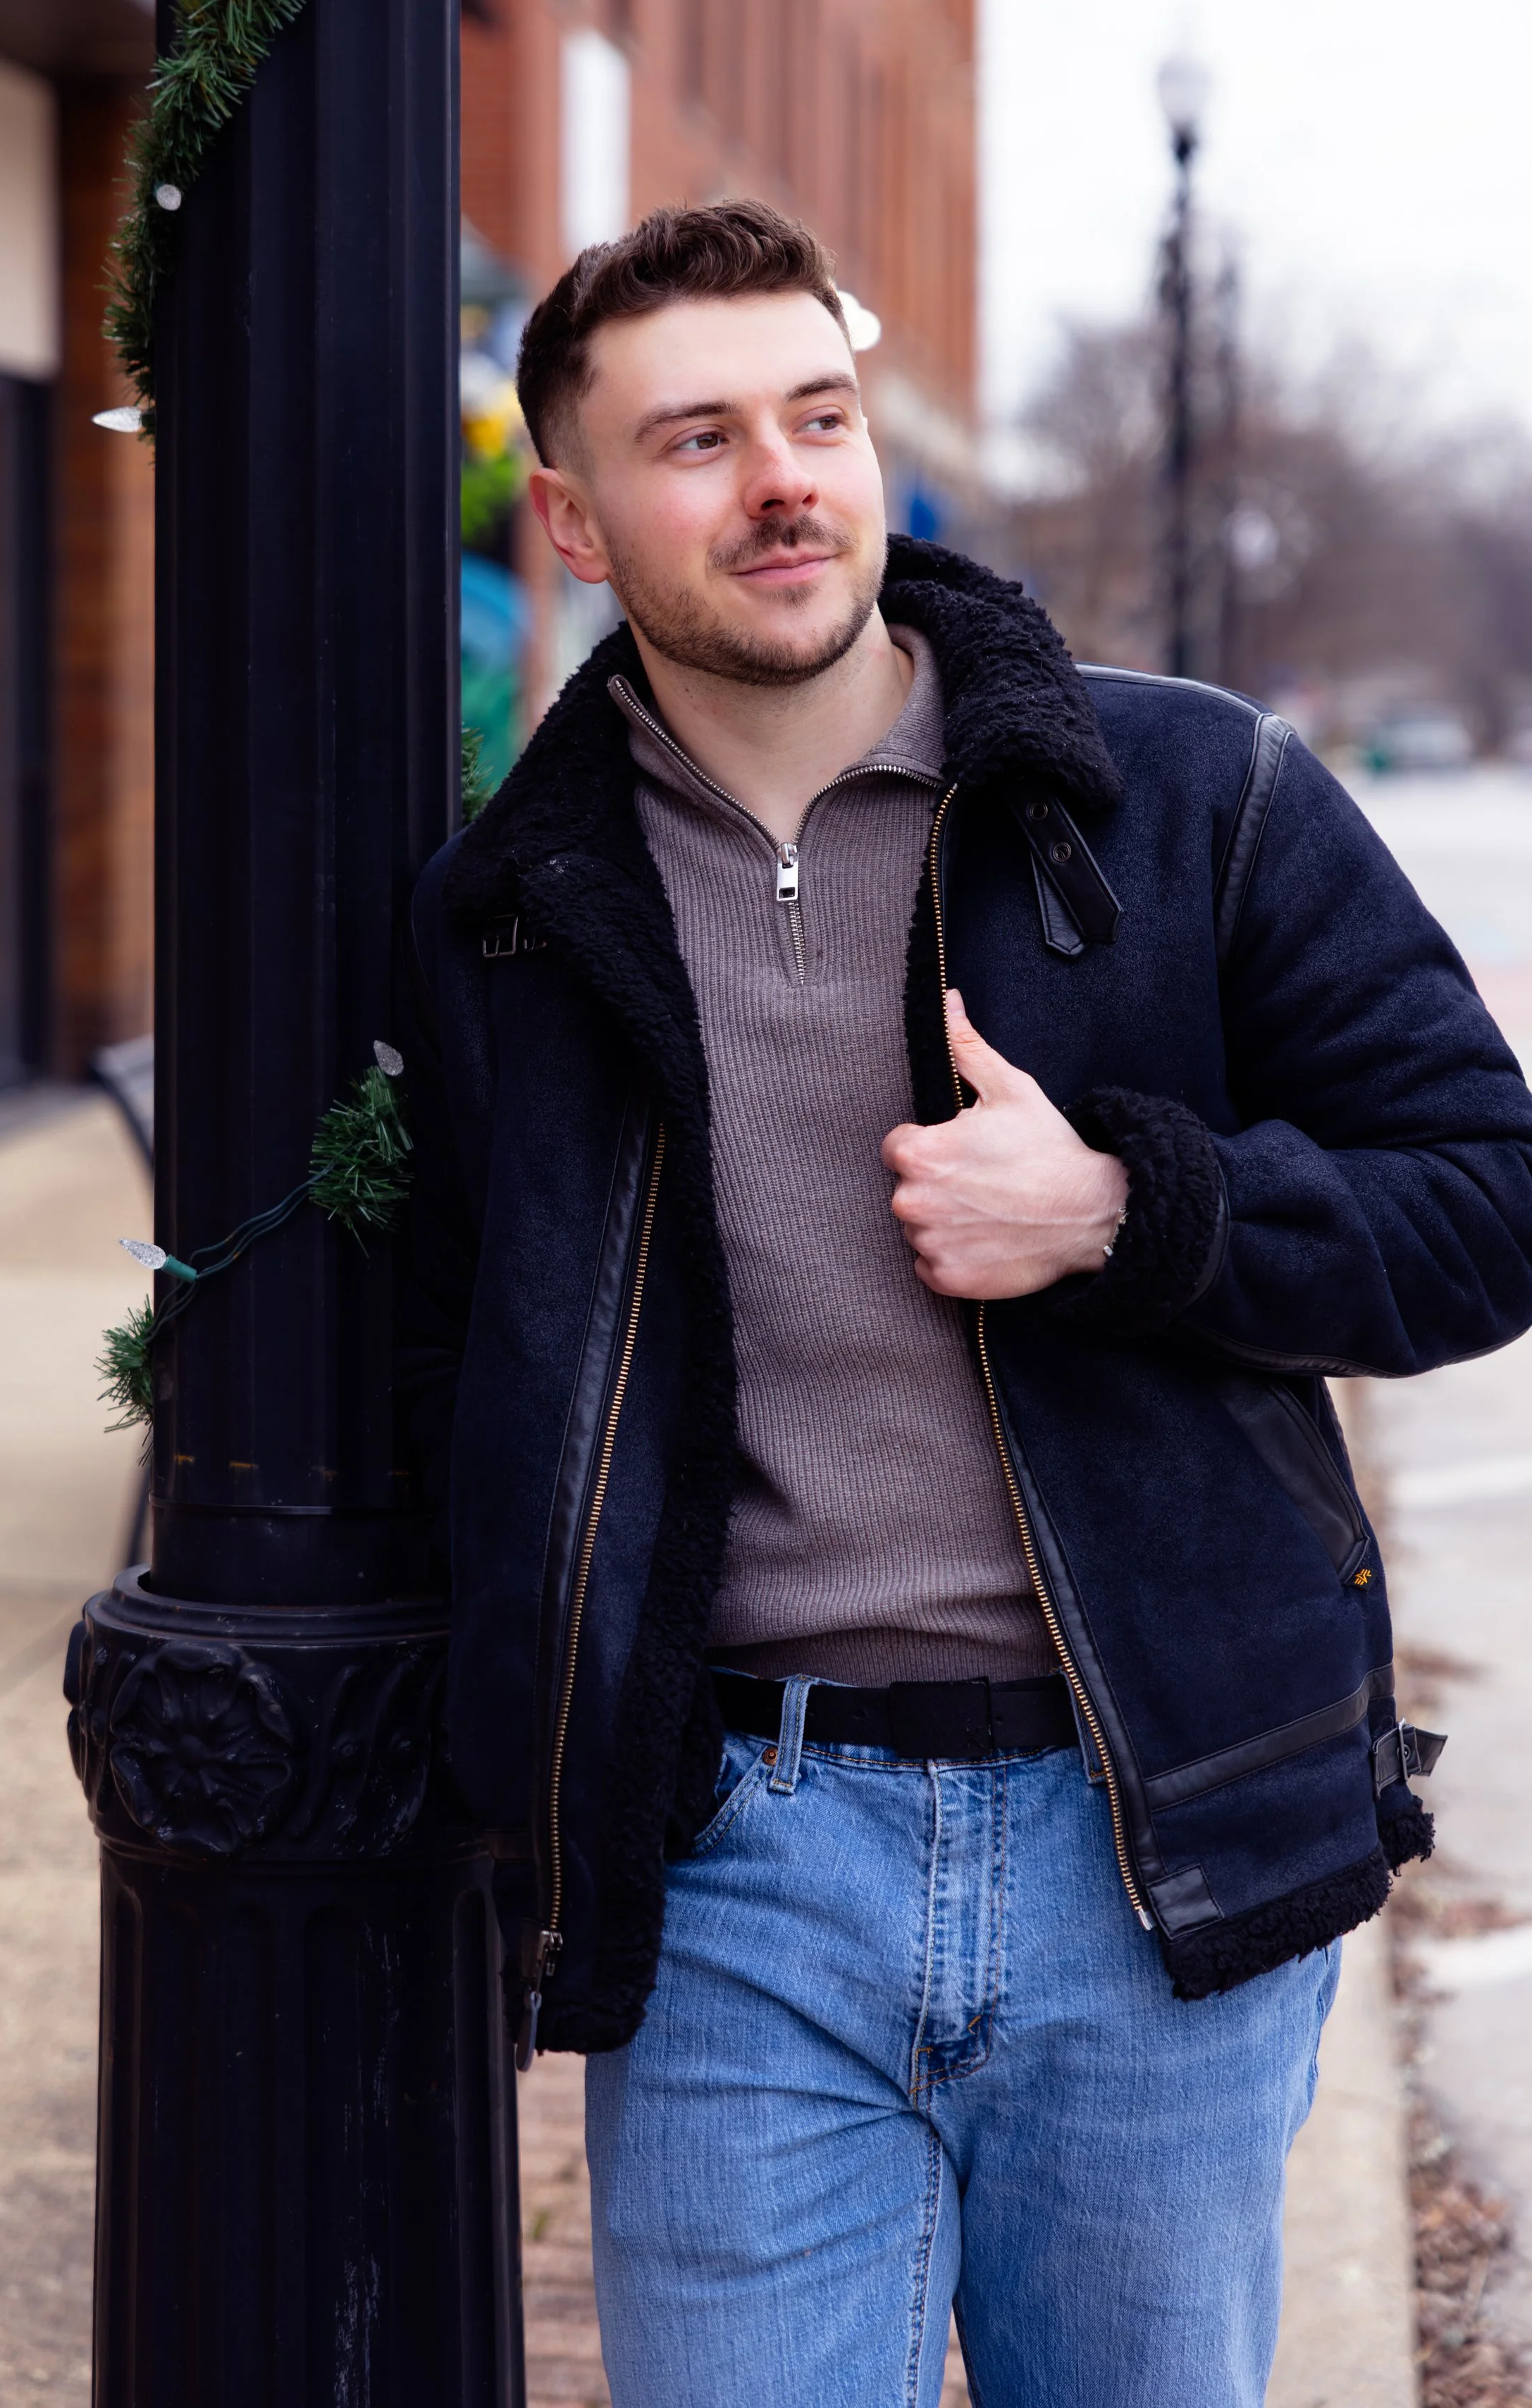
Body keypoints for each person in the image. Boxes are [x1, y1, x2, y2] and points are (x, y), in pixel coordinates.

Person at [398, 199, 1532, 2407]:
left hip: (1146, 1839)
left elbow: (1484, 1200)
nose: (783, 479)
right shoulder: (511, 920)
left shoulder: (1183, 794)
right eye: (696, 438)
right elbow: (465, 1367)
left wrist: (1127, 1206)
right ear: (572, 514)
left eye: (814, 414)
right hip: (742, 1854)